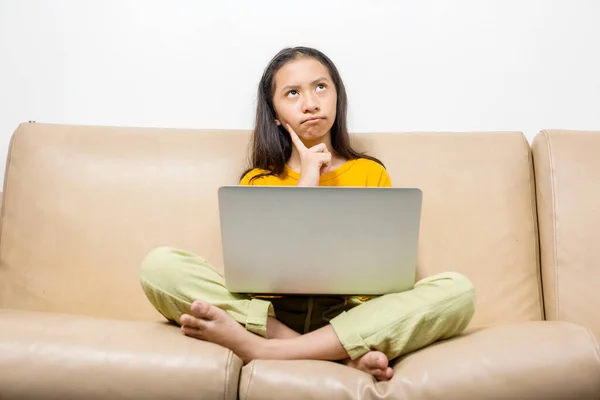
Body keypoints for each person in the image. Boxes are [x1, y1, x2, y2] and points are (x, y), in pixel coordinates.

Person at [139, 46, 476, 382]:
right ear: (274, 113)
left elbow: (383, 283)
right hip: (270, 313)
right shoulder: (257, 181)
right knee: (160, 267)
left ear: (337, 97)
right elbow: (260, 280)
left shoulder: (370, 173)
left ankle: (269, 350)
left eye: (320, 87)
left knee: (458, 291)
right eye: (292, 93)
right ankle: (332, 355)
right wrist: (308, 179)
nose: (311, 103)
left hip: (349, 314)